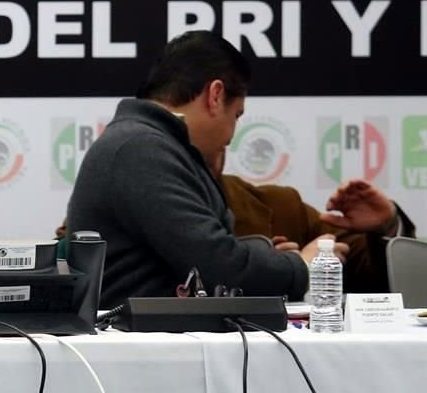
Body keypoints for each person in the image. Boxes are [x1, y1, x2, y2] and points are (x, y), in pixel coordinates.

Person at [66, 31, 313, 308]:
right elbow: (222, 270)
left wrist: (265, 256)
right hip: (145, 348)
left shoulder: (149, 144)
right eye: (237, 115)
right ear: (216, 95)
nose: (232, 135)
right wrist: (303, 266)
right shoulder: (140, 149)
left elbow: (193, 254)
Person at [213, 148, 418, 293]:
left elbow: (371, 277)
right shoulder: (183, 228)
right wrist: (279, 267)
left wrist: (387, 226)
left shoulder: (282, 206)